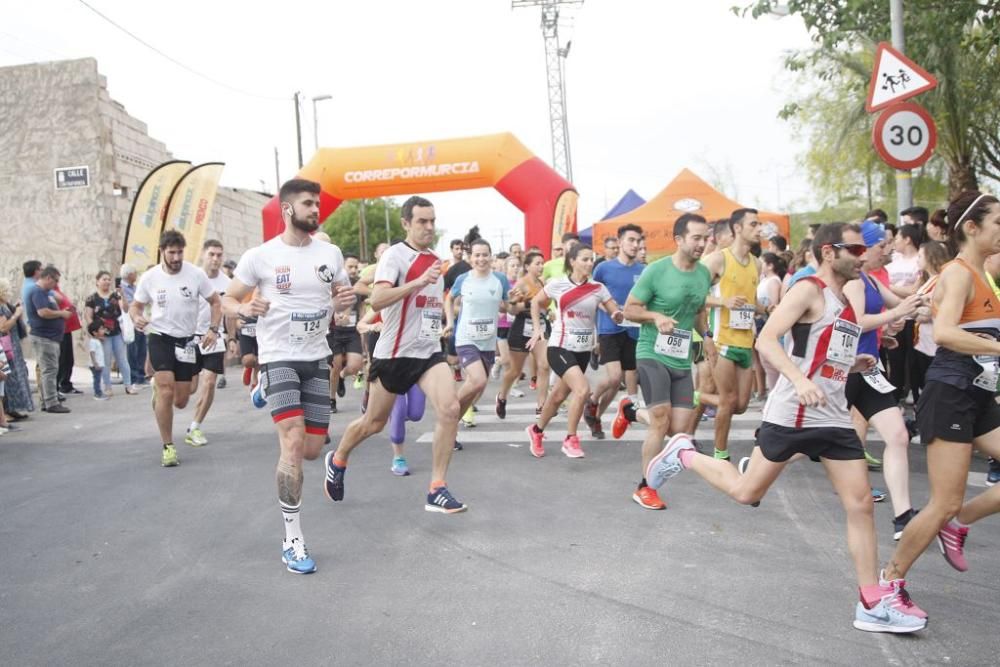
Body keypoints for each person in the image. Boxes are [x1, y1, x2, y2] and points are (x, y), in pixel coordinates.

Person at [644, 222, 926, 634]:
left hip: (831, 414)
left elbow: (826, 348)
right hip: (793, 413)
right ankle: (684, 452)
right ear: (829, 252)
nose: (862, 255)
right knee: (746, 491)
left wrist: (852, 363)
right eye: (854, 248)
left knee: (860, 503)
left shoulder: (846, 298)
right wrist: (798, 379)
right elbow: (768, 340)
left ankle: (871, 601)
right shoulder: (807, 289)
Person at [223, 178, 354, 574]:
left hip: (316, 359)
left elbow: (342, 305)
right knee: (293, 442)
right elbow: (227, 299)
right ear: (287, 210)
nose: (316, 210)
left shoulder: (330, 254)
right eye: (308, 204)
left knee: (312, 450)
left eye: (318, 204)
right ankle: (293, 539)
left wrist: (344, 305)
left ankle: (264, 392)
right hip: (278, 356)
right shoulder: (259, 256)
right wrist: (245, 309)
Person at [883, 191, 1000, 597]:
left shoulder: (983, 270)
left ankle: (959, 522)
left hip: (979, 394)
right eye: (998, 223)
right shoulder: (958, 273)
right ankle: (889, 581)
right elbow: (947, 332)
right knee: (942, 503)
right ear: (971, 227)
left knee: (951, 510)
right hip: (950, 392)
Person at [325, 195, 468, 514]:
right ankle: (338, 458)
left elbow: (428, 307)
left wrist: (443, 322)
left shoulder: (436, 261)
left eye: (432, 221)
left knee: (450, 408)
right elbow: (377, 299)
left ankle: (437, 488)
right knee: (372, 423)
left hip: (428, 353)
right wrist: (417, 282)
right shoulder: (395, 256)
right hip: (393, 354)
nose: (429, 227)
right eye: (422, 221)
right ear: (406, 223)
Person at [608, 214, 713, 509]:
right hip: (651, 351)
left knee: (677, 429)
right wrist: (655, 316)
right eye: (696, 238)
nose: (702, 244)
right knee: (661, 420)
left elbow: (699, 309)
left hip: (681, 358)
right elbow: (629, 309)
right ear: (679, 240)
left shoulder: (704, 274)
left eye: (705, 238)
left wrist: (707, 337)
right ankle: (645, 486)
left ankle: (630, 413)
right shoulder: (656, 271)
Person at [843, 221, 924, 539]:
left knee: (898, 436)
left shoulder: (872, 280)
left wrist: (928, 299)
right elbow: (858, 321)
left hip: (868, 372)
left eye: (890, 244)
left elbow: (903, 304)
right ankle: (757, 459)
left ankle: (903, 516)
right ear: (864, 248)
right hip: (842, 371)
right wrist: (893, 317)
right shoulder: (851, 282)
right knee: (800, 443)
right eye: (882, 245)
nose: (887, 249)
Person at [130, 230, 222, 467]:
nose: (176, 257)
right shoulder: (150, 278)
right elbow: (136, 306)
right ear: (162, 252)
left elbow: (215, 302)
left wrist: (213, 329)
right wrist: (136, 317)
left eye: (180, 252)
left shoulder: (196, 274)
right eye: (171, 252)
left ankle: (160, 393)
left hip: (187, 341)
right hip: (160, 337)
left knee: (182, 399)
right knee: (166, 389)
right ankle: (168, 446)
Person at [525, 244, 623, 459]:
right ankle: (571, 438)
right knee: (582, 390)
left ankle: (536, 430)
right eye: (585, 259)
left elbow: (612, 308)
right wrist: (538, 328)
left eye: (591, 259)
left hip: (582, 350)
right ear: (572, 261)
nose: (589, 263)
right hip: (559, 346)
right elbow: (536, 302)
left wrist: (616, 315)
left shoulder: (598, 288)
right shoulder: (557, 285)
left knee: (559, 395)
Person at [702, 208, 763, 460]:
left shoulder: (757, 264)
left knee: (740, 405)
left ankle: (694, 395)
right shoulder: (717, 260)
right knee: (727, 400)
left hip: (745, 341)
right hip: (722, 340)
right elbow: (694, 297)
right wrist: (722, 302)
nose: (760, 229)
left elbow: (752, 300)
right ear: (738, 228)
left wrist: (768, 309)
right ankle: (721, 453)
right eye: (754, 224)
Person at [584, 224, 644, 439]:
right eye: (631, 240)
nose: (635, 245)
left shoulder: (643, 271)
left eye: (638, 241)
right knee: (614, 376)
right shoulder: (603, 268)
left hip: (633, 330)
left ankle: (596, 416)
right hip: (609, 329)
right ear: (620, 242)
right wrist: (611, 310)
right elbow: (593, 295)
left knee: (618, 380)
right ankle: (591, 400)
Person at [446, 238, 509, 438]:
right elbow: (449, 299)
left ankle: (451, 425)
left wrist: (512, 302)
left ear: (491, 256)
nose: (481, 259)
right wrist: (449, 322)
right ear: (470, 257)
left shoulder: (500, 279)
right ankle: (448, 408)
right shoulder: (463, 279)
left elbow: (507, 306)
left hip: (488, 341)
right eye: (477, 255)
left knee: (476, 389)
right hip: (466, 338)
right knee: (479, 381)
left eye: (485, 255)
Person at [183, 240, 231, 447]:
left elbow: (229, 314)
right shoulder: (190, 277)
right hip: (190, 337)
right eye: (211, 254)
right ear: (203, 254)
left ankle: (194, 427)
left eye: (219, 255)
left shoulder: (227, 283)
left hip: (215, 336)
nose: (215, 259)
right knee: (189, 390)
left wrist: (233, 337)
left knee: (210, 381)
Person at [497, 251, 551, 416]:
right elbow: (511, 309)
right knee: (515, 371)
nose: (541, 266)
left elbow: (544, 306)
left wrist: (546, 310)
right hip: (521, 328)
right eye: (537, 263)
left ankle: (541, 405)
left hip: (540, 326)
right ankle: (502, 396)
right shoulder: (522, 283)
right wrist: (529, 303)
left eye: (542, 263)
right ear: (527, 266)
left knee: (544, 365)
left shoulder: (542, 284)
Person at [83, 270, 137, 397]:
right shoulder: (92, 298)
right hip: (102, 335)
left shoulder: (115, 296)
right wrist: (94, 333)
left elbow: (125, 308)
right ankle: (107, 386)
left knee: (122, 360)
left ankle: (128, 385)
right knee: (105, 361)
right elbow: (88, 317)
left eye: (108, 279)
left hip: (116, 332)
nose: (107, 281)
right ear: (97, 282)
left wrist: (122, 294)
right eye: (104, 279)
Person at [885, 224, 923, 403]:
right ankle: (893, 399)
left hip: (914, 318)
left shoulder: (919, 260)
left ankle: (916, 396)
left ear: (907, 239)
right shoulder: (892, 262)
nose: (894, 242)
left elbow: (914, 291)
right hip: (894, 317)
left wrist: (889, 288)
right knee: (895, 360)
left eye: (897, 238)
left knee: (914, 361)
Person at [26, 265, 71, 414]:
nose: (56, 284)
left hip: (50, 337)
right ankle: (51, 402)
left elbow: (57, 301)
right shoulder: (37, 292)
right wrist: (61, 314)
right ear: (48, 278)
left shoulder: (45, 292)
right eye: (55, 281)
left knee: (50, 369)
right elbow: (43, 312)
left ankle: (48, 401)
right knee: (50, 370)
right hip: (44, 337)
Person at [326, 252, 364, 414]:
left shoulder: (359, 285)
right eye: (350, 266)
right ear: (343, 267)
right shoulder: (332, 283)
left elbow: (361, 309)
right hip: (334, 331)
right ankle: (331, 399)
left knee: (356, 365)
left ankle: (342, 376)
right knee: (335, 365)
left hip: (352, 330)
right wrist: (334, 315)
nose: (354, 270)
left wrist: (362, 324)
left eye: (356, 267)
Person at [0, 278, 34, 417]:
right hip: (7, 345)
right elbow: (3, 327)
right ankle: (8, 411)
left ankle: (13, 409)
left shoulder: (5, 304)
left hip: (12, 345)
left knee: (17, 375)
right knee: (10, 377)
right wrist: (17, 313)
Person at [120, 264, 147, 386]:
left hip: (140, 320)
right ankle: (134, 376)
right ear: (130, 274)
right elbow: (129, 305)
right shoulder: (121, 289)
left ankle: (141, 375)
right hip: (129, 322)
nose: (136, 275)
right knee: (133, 349)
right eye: (135, 273)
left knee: (141, 349)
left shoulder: (135, 288)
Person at [87, 321, 109, 400]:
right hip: (96, 365)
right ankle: (97, 394)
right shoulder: (93, 342)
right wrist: (95, 363)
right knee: (97, 379)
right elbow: (92, 353)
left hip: (99, 364)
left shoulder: (96, 340)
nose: (103, 330)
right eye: (101, 329)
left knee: (98, 379)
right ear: (95, 332)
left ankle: (99, 392)